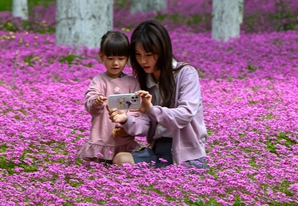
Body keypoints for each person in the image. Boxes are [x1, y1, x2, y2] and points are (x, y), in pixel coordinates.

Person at [110, 20, 208, 169]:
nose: (143, 61)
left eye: (149, 55)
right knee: (120, 159)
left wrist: (151, 109)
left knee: (170, 179)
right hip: (158, 151)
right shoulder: (144, 81)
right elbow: (145, 126)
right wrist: (126, 120)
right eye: (138, 54)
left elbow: (186, 114)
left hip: (185, 155)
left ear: (162, 51)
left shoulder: (186, 73)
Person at [79, 31, 141, 163]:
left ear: (127, 58)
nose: (116, 63)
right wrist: (96, 101)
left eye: (120, 58)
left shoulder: (133, 83)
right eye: (110, 58)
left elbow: (136, 109)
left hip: (123, 140)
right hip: (101, 139)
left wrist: (127, 122)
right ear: (101, 56)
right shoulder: (99, 81)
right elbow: (90, 101)